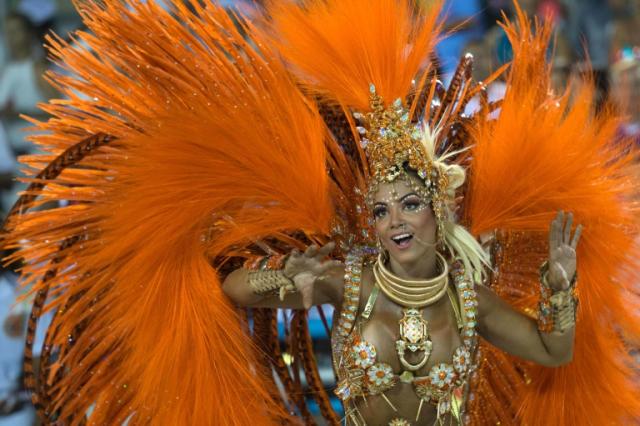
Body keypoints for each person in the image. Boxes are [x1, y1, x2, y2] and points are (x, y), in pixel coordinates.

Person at [0, 1, 638, 425]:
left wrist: (560, 285)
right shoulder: (348, 278)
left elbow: (553, 353)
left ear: (438, 213)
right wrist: (284, 272)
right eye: (383, 209)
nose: (395, 221)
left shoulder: (471, 299)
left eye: (410, 204)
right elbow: (235, 288)